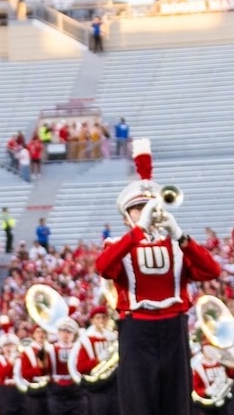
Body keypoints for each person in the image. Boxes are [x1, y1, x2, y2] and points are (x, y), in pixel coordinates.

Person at [94, 139, 221, 415]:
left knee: (177, 402)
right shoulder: (118, 243)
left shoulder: (176, 242)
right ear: (127, 215)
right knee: (139, 401)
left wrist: (181, 235)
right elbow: (103, 267)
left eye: (150, 206)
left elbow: (212, 271)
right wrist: (137, 231)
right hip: (136, 329)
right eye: (138, 208)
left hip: (174, 327)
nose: (147, 212)